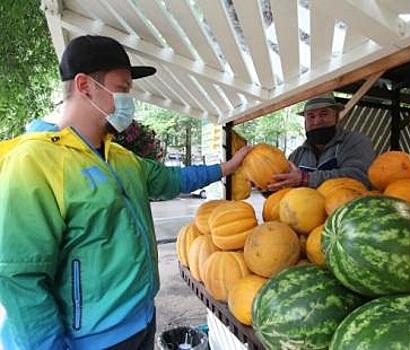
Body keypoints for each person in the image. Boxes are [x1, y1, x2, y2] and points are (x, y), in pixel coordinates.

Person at [0, 35, 249, 350]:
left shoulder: (120, 157)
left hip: (143, 321)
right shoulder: (34, 161)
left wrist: (227, 168)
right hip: (91, 341)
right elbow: (21, 278)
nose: (129, 101)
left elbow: (171, 180)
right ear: (84, 86)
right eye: (122, 89)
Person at [268, 93, 375, 191]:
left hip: (346, 210)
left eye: (324, 114)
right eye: (311, 116)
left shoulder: (355, 141)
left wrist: (306, 179)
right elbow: (282, 190)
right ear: (305, 121)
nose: (317, 121)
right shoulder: (297, 155)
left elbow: (360, 176)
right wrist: (266, 186)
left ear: (336, 117)